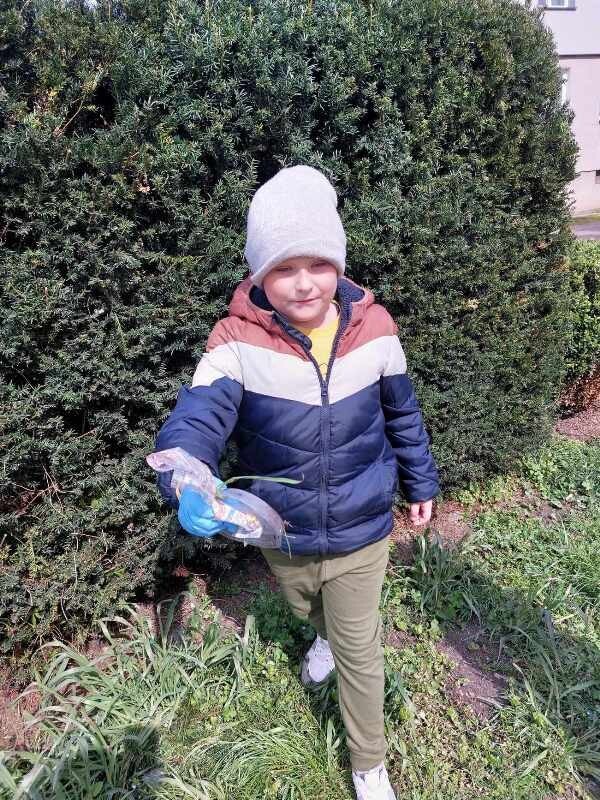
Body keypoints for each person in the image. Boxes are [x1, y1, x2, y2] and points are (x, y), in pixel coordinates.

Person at [154, 164, 441, 800]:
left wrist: (421, 482)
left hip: (364, 526)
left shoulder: (377, 330)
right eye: (284, 267)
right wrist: (188, 475)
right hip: (282, 531)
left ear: (338, 264)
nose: (304, 282)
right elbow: (197, 416)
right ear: (259, 274)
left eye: (318, 263)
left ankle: (369, 766)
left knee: (361, 646)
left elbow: (403, 414)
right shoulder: (235, 342)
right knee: (304, 607)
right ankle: (323, 635)